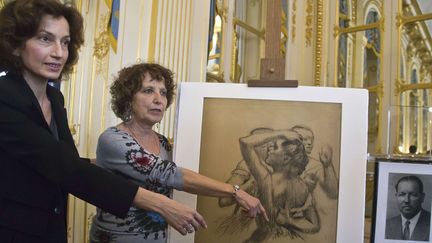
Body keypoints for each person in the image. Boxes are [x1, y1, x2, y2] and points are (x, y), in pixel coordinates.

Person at [0, 1, 266, 242]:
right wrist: (162, 203)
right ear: (14, 43)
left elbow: (62, 160)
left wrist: (98, 165)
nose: (59, 52)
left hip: (50, 229)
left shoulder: (54, 100)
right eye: (46, 39)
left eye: (66, 42)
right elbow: (66, 168)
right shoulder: (4, 97)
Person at [89, 63, 268, 243]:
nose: (159, 99)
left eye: (163, 93)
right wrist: (235, 191)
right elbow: (170, 174)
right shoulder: (112, 139)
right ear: (128, 98)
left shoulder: (164, 143)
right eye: (148, 91)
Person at [239, 129, 319, 242]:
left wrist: (281, 134)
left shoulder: (266, 180)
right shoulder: (303, 186)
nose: (270, 150)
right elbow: (314, 225)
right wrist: (289, 221)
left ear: (285, 158)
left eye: (275, 147)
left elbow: (245, 143)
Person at [385, 175, 431, 241]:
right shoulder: (387, 225)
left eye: (413, 195)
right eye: (402, 194)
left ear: (422, 197)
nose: (406, 200)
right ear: (396, 196)